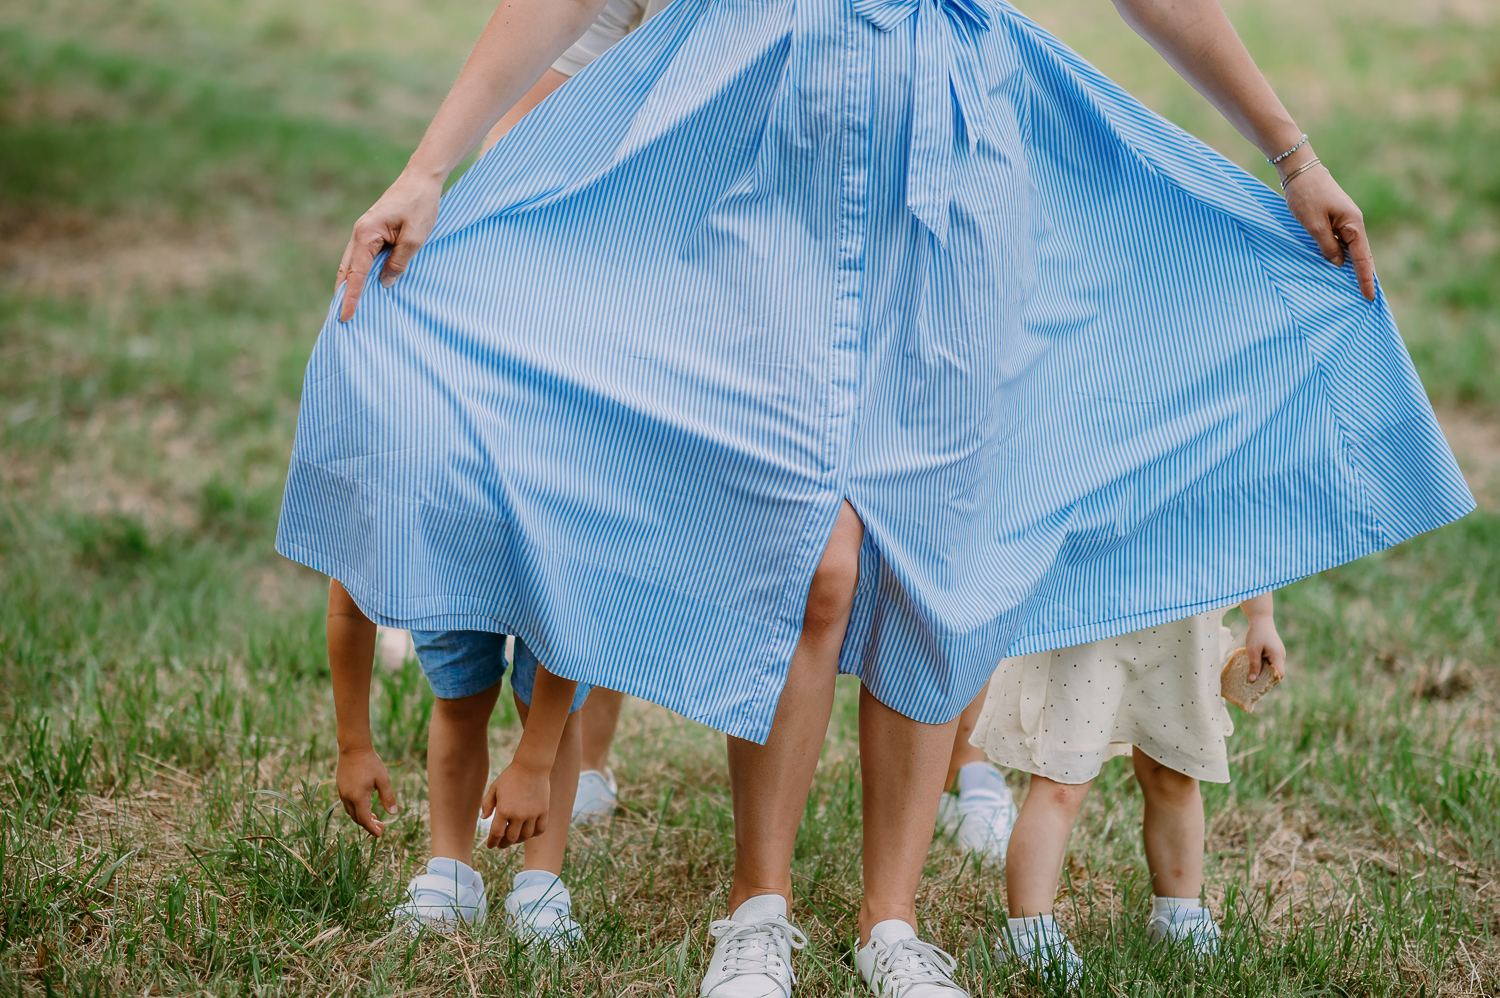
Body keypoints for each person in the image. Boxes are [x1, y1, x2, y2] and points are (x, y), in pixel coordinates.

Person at [276, 0, 1474, 991]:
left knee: (932, 562)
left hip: (961, 168)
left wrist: (1293, 152)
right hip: (751, 156)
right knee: (807, 556)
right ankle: (759, 909)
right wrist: (431, 167)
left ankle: (891, 922)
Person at [974, 594, 1284, 985]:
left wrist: (1262, 616)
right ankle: (1027, 934)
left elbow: (1237, 531)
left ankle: (1179, 914)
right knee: (1062, 778)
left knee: (1174, 772)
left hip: (1183, 619)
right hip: (1091, 608)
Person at [328, 580, 592, 946]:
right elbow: (348, 606)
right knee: (458, 695)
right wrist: (353, 746)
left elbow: (568, 630)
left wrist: (533, 767)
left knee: (552, 713)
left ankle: (541, 886)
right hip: (446, 562)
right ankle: (451, 877)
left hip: (553, 558)